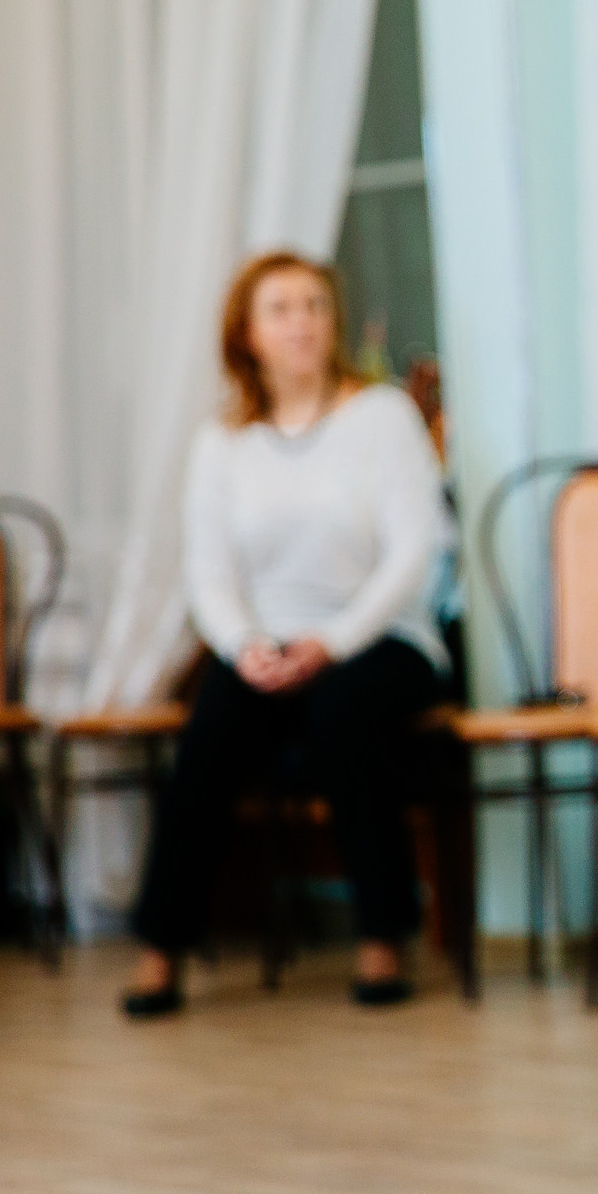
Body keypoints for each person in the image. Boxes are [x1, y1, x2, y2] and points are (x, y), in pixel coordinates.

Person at [122, 251, 449, 1017]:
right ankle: (159, 948)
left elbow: (415, 550)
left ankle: (381, 935)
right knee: (210, 728)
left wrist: (332, 640)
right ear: (248, 333)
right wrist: (246, 647)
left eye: (314, 304)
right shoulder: (221, 443)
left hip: (381, 637)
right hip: (265, 643)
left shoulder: (383, 416)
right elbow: (208, 576)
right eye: (281, 308)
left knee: (343, 713)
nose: (302, 321)